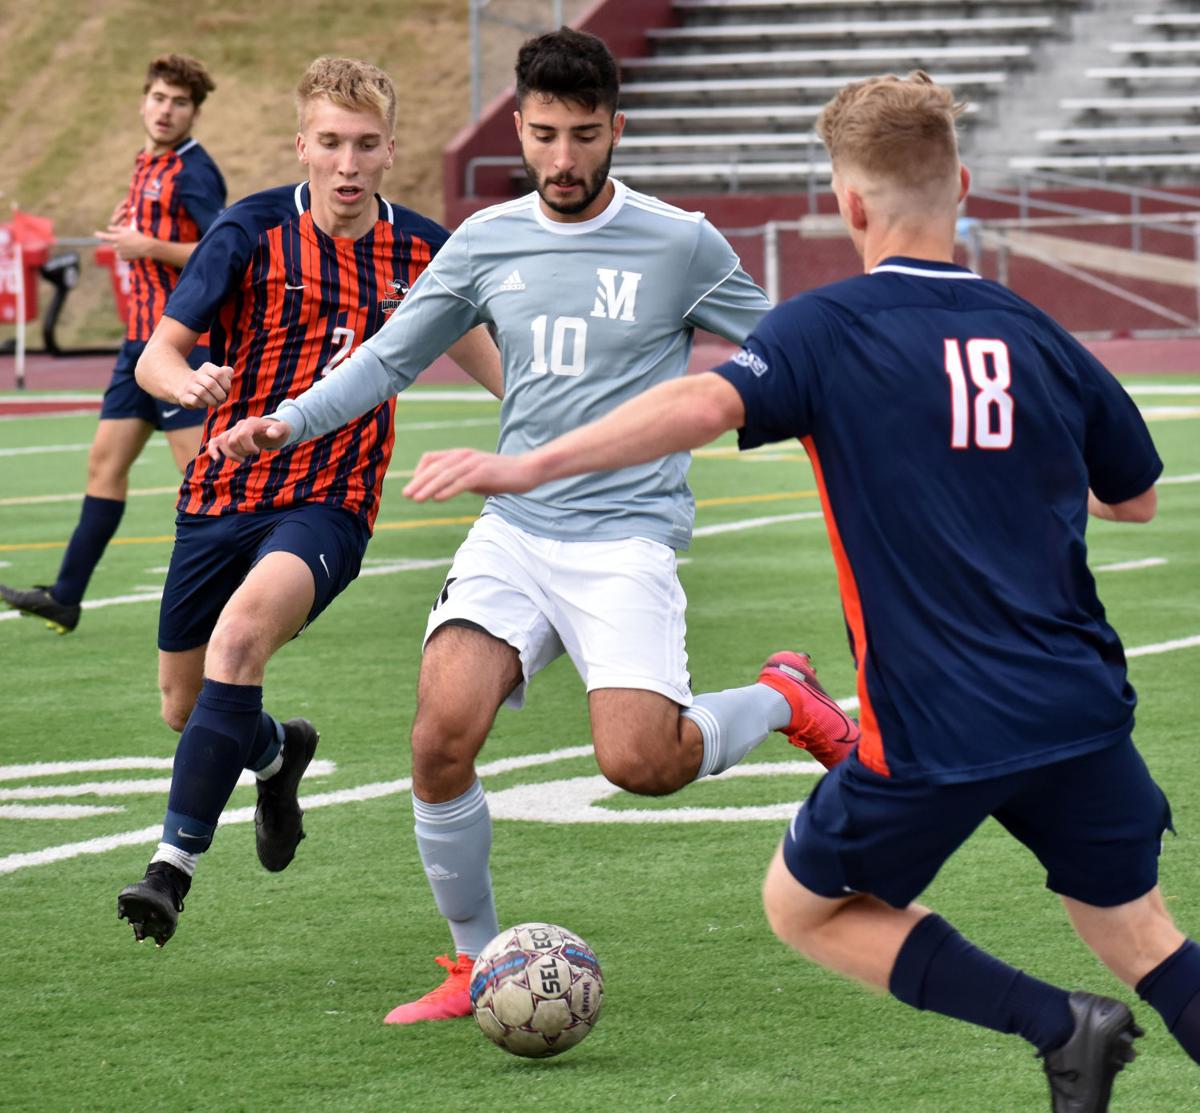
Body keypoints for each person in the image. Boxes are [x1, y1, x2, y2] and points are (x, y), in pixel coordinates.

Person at [402, 70, 1200, 1111]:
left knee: (806, 907)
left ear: (850, 206)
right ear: (959, 183)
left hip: (939, 718)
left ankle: (1059, 1028)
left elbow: (699, 400)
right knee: (1136, 930)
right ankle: (1084, 1023)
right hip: (1080, 703)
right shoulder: (1037, 331)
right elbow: (1132, 499)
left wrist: (527, 464)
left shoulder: (828, 328)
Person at [208, 28, 860, 1023]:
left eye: (584, 136)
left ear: (616, 131)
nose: (562, 159)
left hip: (627, 538)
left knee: (643, 764)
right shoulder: (485, 241)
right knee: (439, 738)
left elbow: (786, 351)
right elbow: (388, 360)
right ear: (518, 126)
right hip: (515, 532)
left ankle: (780, 698)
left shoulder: (679, 242)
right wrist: (285, 423)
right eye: (544, 134)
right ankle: (475, 967)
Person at [114, 56, 502, 948]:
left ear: (391, 150)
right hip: (220, 491)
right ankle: (278, 753)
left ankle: (170, 869)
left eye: (366, 145)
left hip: (329, 501)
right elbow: (155, 358)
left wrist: (570, 440)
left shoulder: (428, 251)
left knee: (240, 638)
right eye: (330, 142)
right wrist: (193, 378)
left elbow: (506, 376)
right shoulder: (248, 229)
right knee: (186, 705)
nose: (348, 163)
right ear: (303, 145)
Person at [0, 54, 226, 635]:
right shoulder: (147, 162)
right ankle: (66, 597)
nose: (166, 110)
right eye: (158, 97)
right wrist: (135, 233)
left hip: (181, 347)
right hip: (137, 347)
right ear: (143, 100)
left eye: (179, 102)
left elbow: (220, 251)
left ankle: (236, 593)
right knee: (104, 465)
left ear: (195, 111)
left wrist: (146, 244)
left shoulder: (194, 172)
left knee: (202, 476)